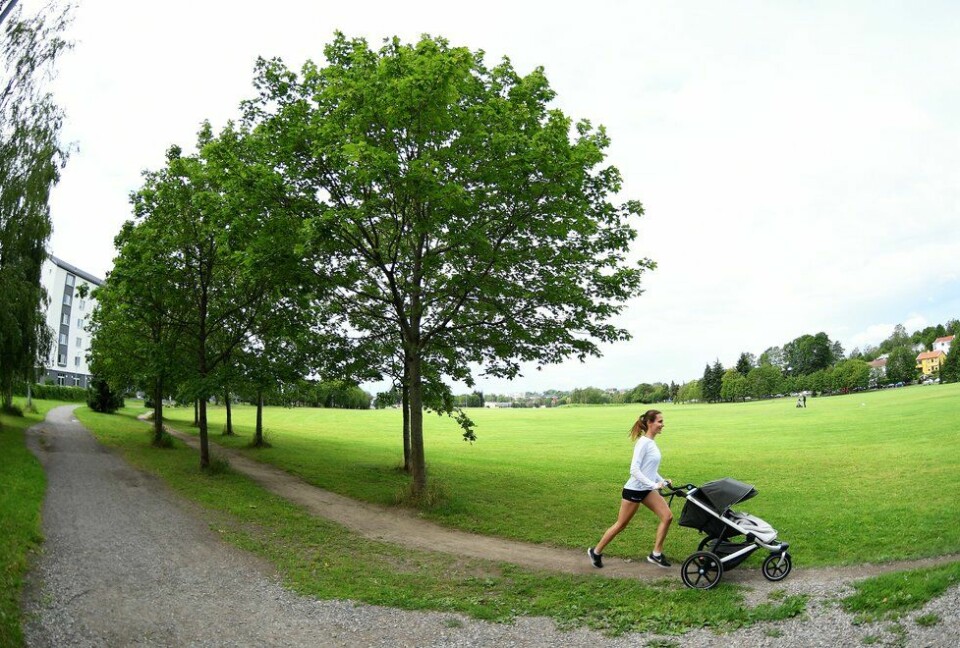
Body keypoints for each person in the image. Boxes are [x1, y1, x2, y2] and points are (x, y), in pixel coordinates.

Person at [587, 409, 674, 569]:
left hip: (646, 490)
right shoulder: (643, 443)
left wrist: (662, 481)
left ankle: (656, 554)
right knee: (621, 524)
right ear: (649, 423)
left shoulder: (651, 443)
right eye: (659, 421)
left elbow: (650, 470)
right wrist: (654, 485)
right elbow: (634, 470)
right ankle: (596, 551)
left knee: (667, 516)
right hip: (634, 491)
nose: (663, 424)